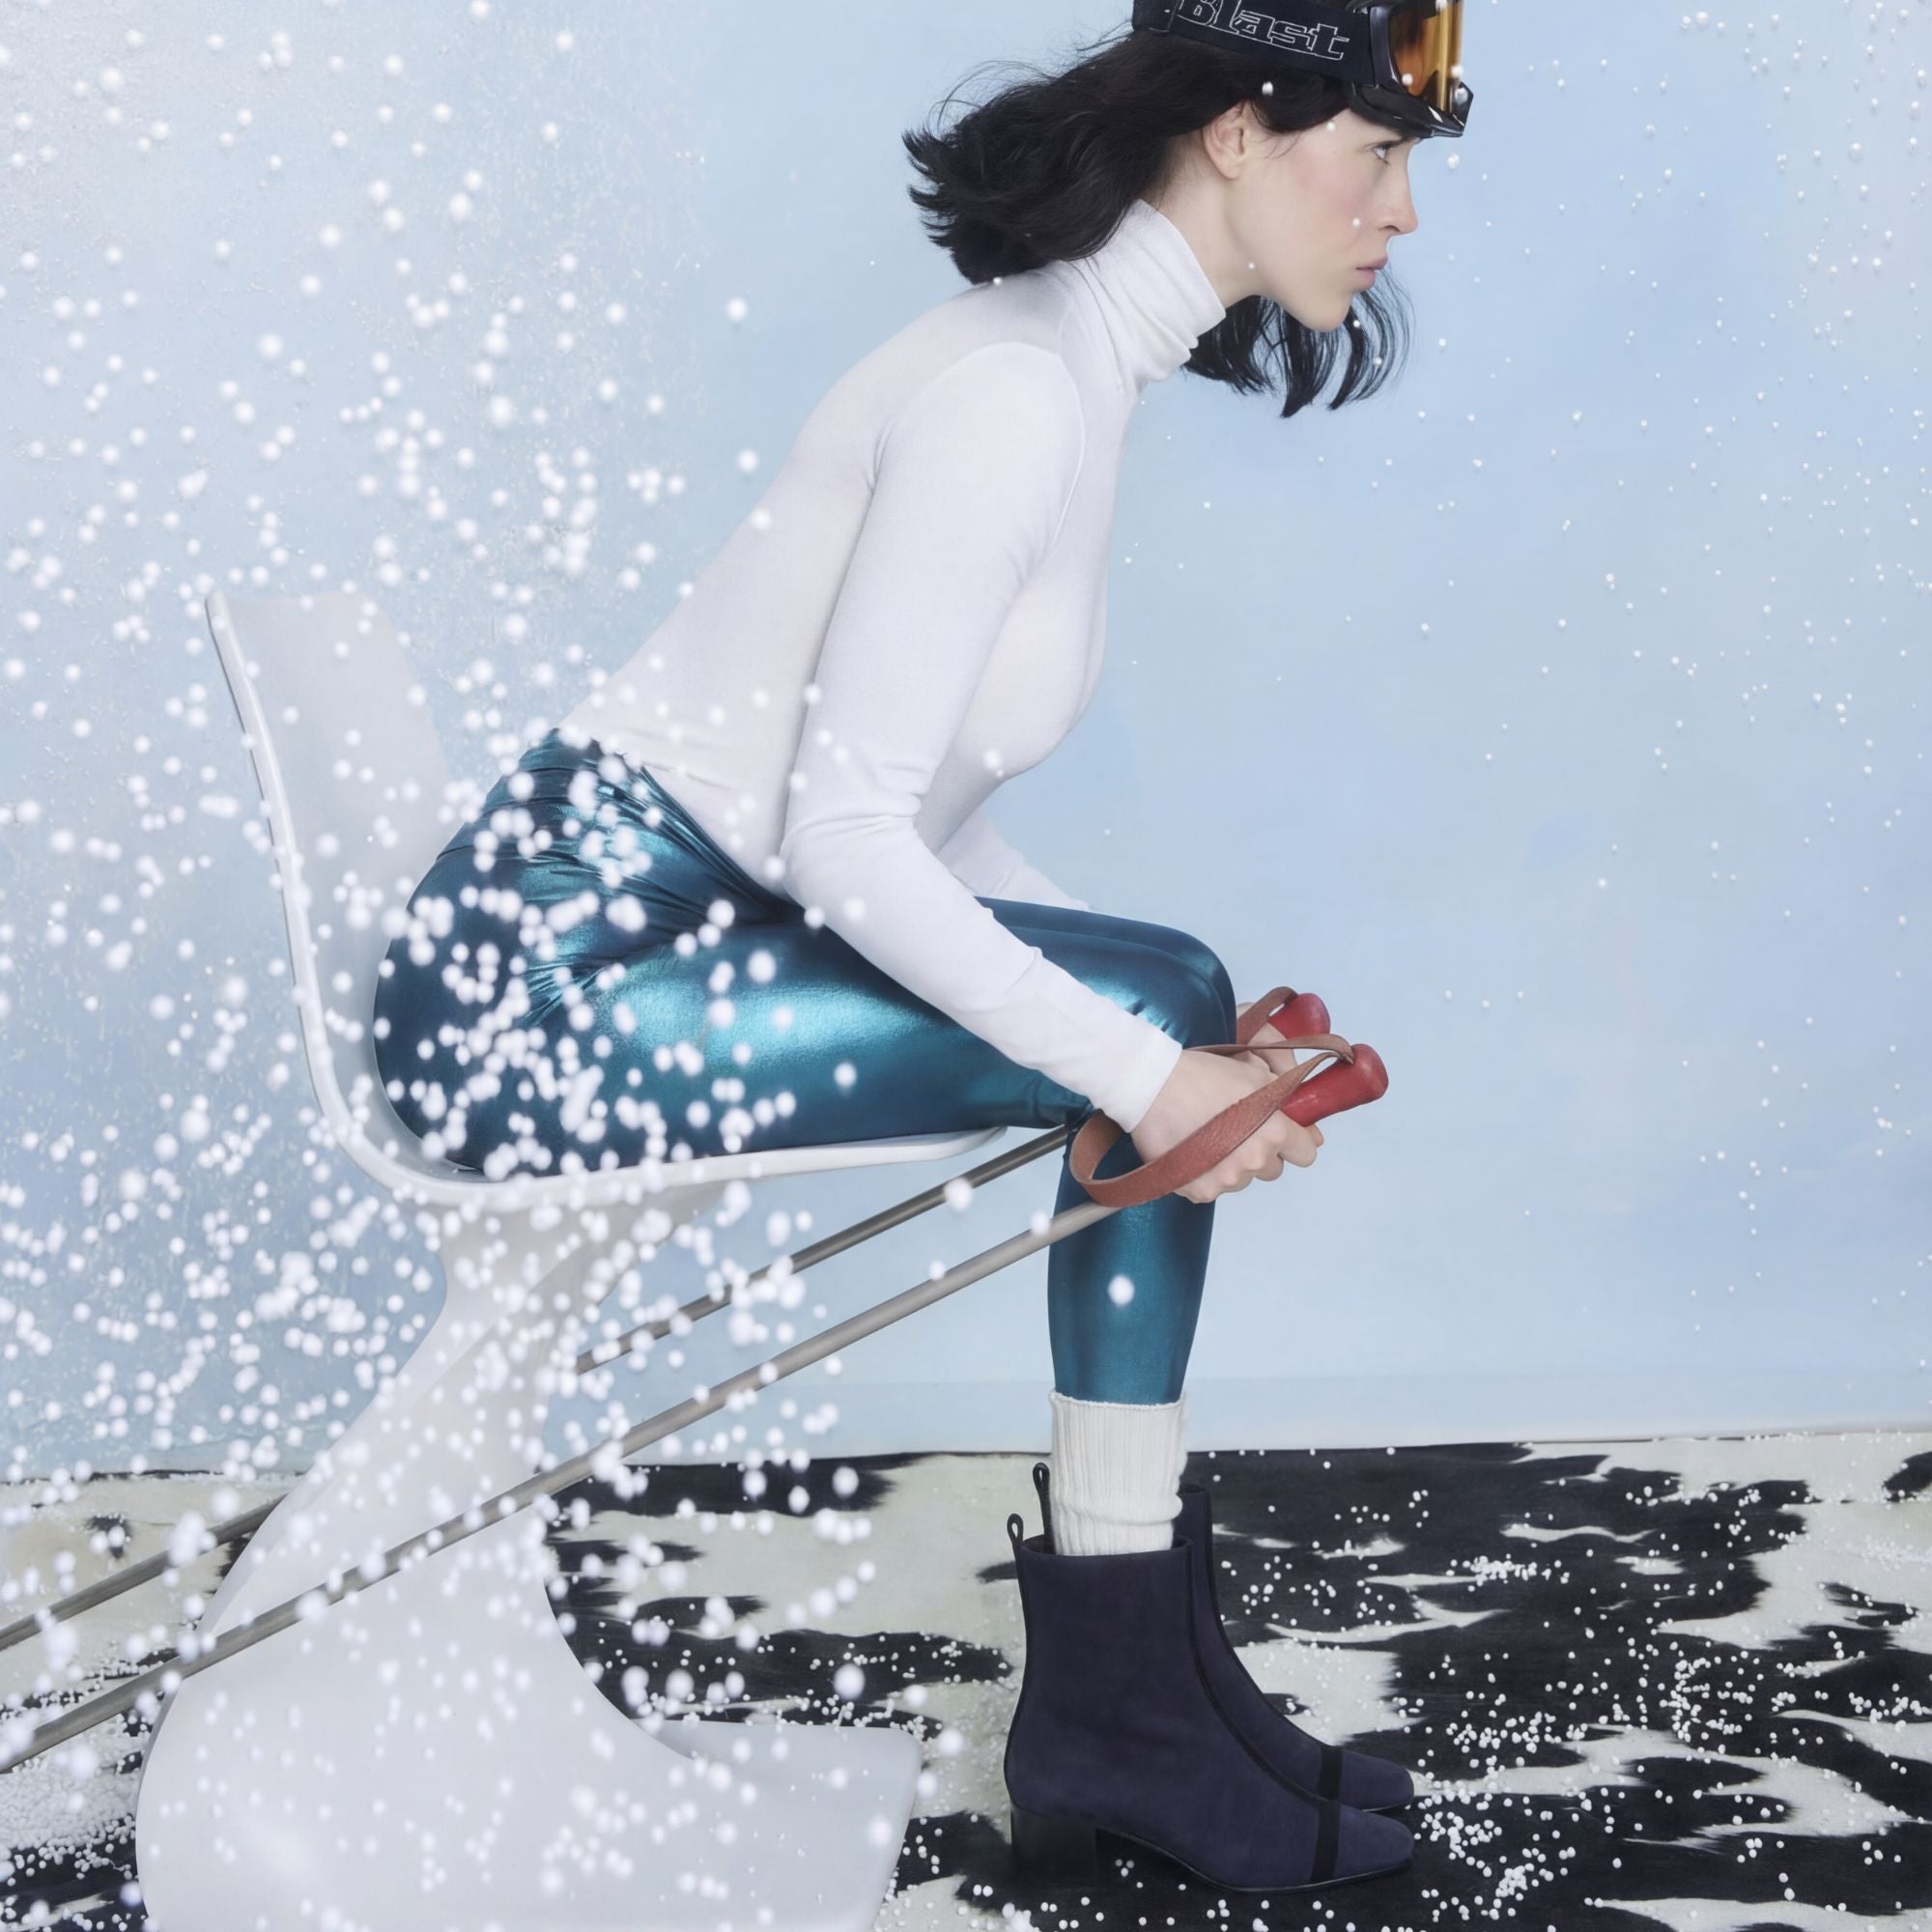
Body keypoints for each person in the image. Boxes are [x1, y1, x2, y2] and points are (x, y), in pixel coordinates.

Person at [373, 4, 1452, 1895]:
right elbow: (846, 844)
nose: (1400, 216)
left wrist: (1169, 1052)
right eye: (1372, 159)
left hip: (671, 935)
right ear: (1235, 132)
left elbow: (911, 820)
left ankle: (1141, 1681)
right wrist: (1146, 1067)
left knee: (1165, 988)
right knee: (1149, 1014)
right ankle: (1121, 1703)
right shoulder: (1014, 396)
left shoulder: (1064, 365)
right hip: (534, 1000)